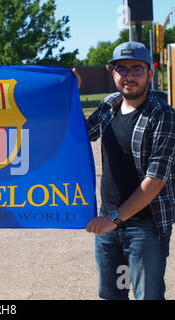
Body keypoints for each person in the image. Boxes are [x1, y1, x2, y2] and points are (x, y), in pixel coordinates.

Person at [74, 42, 175, 300]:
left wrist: (115, 219)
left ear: (150, 74)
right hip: (109, 225)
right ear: (113, 73)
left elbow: (156, 179)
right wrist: (70, 97)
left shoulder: (163, 115)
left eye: (136, 69)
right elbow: (78, 138)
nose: (128, 76)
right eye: (121, 69)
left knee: (147, 297)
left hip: (146, 228)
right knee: (112, 296)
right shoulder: (109, 105)